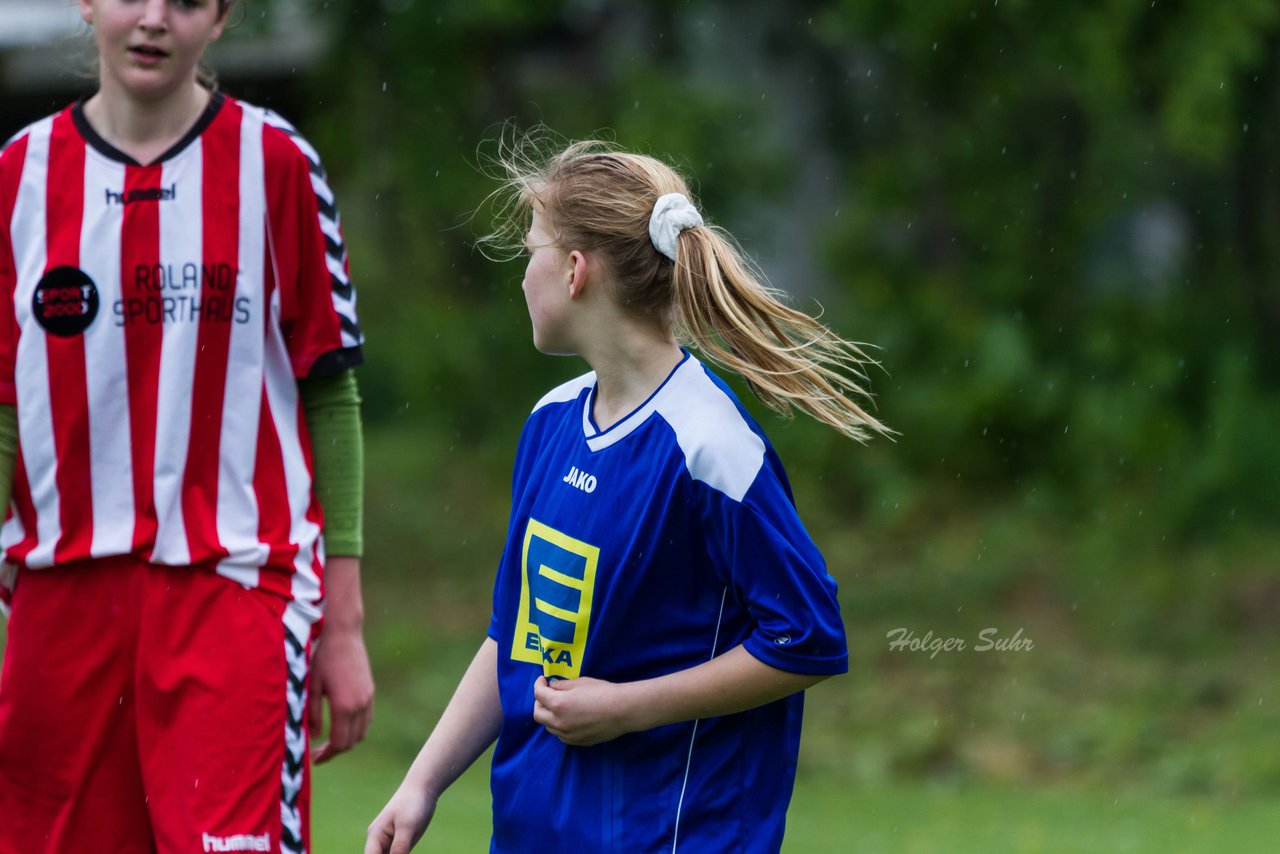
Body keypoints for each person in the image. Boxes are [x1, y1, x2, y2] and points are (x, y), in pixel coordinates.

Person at [365, 134, 891, 854]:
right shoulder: (550, 423)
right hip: (533, 834)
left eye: (531, 253)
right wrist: (422, 782)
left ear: (575, 270)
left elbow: (807, 638)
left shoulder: (710, 449)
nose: (523, 276)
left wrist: (626, 708)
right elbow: (513, 635)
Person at [0, 1, 374, 851]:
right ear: (89, 2)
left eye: (188, 0)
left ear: (223, 17)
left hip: (234, 583)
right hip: (62, 594)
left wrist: (344, 630)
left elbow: (332, 395)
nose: (154, 20)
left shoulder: (276, 164)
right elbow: (2, 405)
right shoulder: (17, 177)